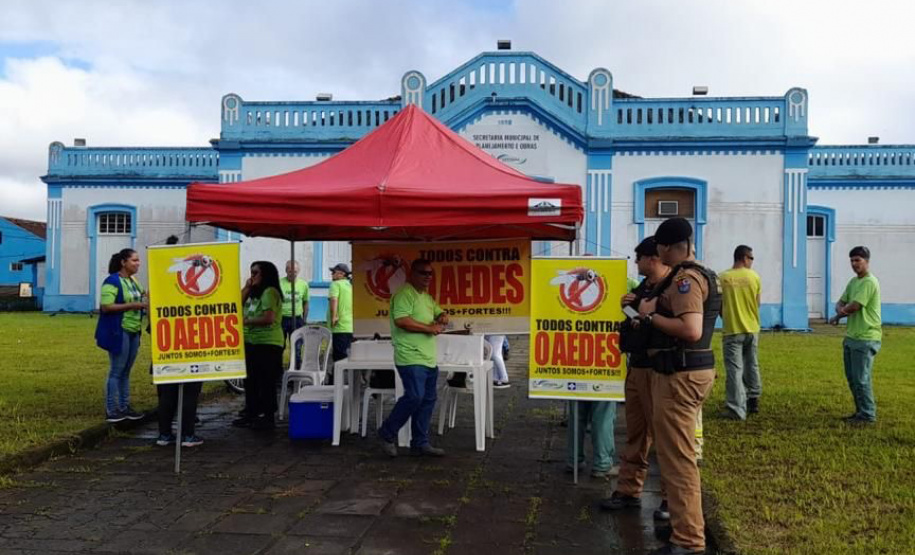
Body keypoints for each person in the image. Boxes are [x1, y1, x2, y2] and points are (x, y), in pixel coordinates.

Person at [637, 218, 721, 555]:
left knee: (678, 460)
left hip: (680, 375)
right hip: (681, 373)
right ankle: (683, 531)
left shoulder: (687, 279)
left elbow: (690, 330)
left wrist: (648, 315)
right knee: (674, 457)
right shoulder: (698, 274)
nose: (655, 253)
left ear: (670, 247)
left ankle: (688, 541)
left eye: (659, 246)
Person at [601, 236, 672, 520]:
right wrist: (627, 307)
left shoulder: (670, 287)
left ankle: (669, 498)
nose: (635, 263)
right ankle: (629, 490)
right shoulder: (644, 287)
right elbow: (635, 319)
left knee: (665, 438)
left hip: (660, 369)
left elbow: (669, 324)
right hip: (637, 366)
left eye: (638, 258)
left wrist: (644, 314)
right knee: (635, 433)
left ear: (652, 258)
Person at [377, 259, 449, 457]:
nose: (427, 277)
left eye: (430, 273)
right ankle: (387, 433)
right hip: (410, 355)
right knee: (415, 396)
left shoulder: (425, 297)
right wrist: (430, 328)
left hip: (428, 357)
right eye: (423, 273)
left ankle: (420, 442)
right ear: (412, 274)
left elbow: (439, 312)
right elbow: (402, 320)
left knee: (427, 399)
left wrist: (443, 316)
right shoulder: (404, 294)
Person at [154, 234, 203, 447]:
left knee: (168, 392)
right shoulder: (193, 290)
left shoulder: (160, 284)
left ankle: (164, 434)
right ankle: (187, 435)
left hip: (167, 343)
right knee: (189, 392)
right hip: (189, 344)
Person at [829, 246, 882, 425]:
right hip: (852, 336)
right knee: (852, 378)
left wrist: (838, 314)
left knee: (861, 378)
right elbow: (842, 302)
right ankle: (860, 412)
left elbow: (855, 306)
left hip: (866, 337)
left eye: (858, 260)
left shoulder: (869, 282)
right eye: (852, 260)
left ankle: (868, 415)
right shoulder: (853, 282)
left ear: (867, 261)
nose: (854, 264)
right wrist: (840, 309)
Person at [95, 248, 147, 423]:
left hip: (134, 330)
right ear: (123, 262)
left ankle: (125, 407)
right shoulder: (112, 281)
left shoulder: (133, 281)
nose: (138, 264)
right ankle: (112, 410)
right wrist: (133, 305)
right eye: (134, 260)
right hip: (119, 330)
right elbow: (106, 306)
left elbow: (146, 295)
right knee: (116, 371)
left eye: (138, 260)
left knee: (126, 371)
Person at [233, 261, 284, 430]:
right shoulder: (254, 292)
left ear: (265, 275)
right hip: (251, 341)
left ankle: (267, 415)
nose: (252, 276)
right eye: (251, 272)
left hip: (267, 342)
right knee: (250, 380)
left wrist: (246, 321)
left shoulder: (270, 292)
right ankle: (251, 412)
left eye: (255, 273)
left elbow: (268, 318)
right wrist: (247, 287)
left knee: (265, 380)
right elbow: (236, 303)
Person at [719, 245, 762, 421]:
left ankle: (736, 408)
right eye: (751, 258)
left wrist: (728, 316)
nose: (752, 262)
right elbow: (757, 303)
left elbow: (719, 305)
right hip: (752, 328)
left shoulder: (722, 278)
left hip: (732, 329)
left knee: (734, 370)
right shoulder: (754, 277)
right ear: (744, 258)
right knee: (752, 364)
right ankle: (753, 398)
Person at [327, 263, 354, 364]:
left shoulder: (335, 284)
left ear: (341, 274)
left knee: (339, 358)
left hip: (339, 326)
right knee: (348, 355)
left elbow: (334, 300)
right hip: (350, 326)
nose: (332, 274)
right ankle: (348, 378)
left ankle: (338, 379)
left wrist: (334, 317)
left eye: (333, 272)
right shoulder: (350, 286)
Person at [280, 260, 309, 346]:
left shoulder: (304, 285)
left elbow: (306, 302)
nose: (293, 274)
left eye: (295, 271)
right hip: (282, 319)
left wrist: (304, 319)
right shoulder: (279, 283)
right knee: (280, 345)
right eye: (290, 271)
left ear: (298, 271)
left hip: (297, 319)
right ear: (286, 270)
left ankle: (296, 360)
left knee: (297, 345)